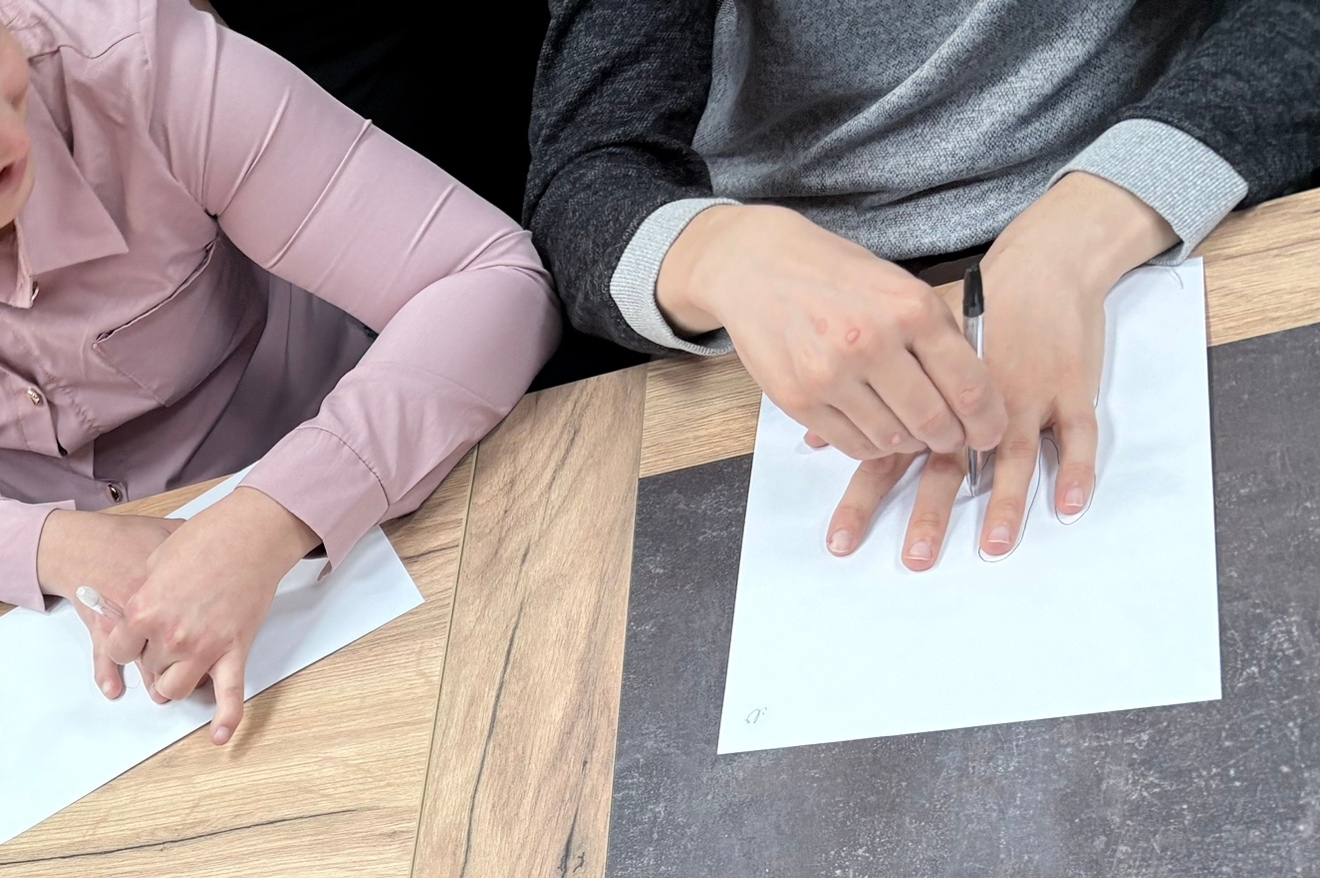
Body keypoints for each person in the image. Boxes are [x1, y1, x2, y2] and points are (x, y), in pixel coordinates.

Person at [0, 0, 559, 746]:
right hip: (71, 634)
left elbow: (493, 280)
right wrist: (59, 547)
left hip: (360, 519)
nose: (7, 133)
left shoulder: (132, 55)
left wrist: (272, 514)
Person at [525, 0, 1320, 568]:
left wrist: (1087, 224)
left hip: (1170, 189)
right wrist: (718, 254)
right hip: (774, 311)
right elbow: (587, 177)